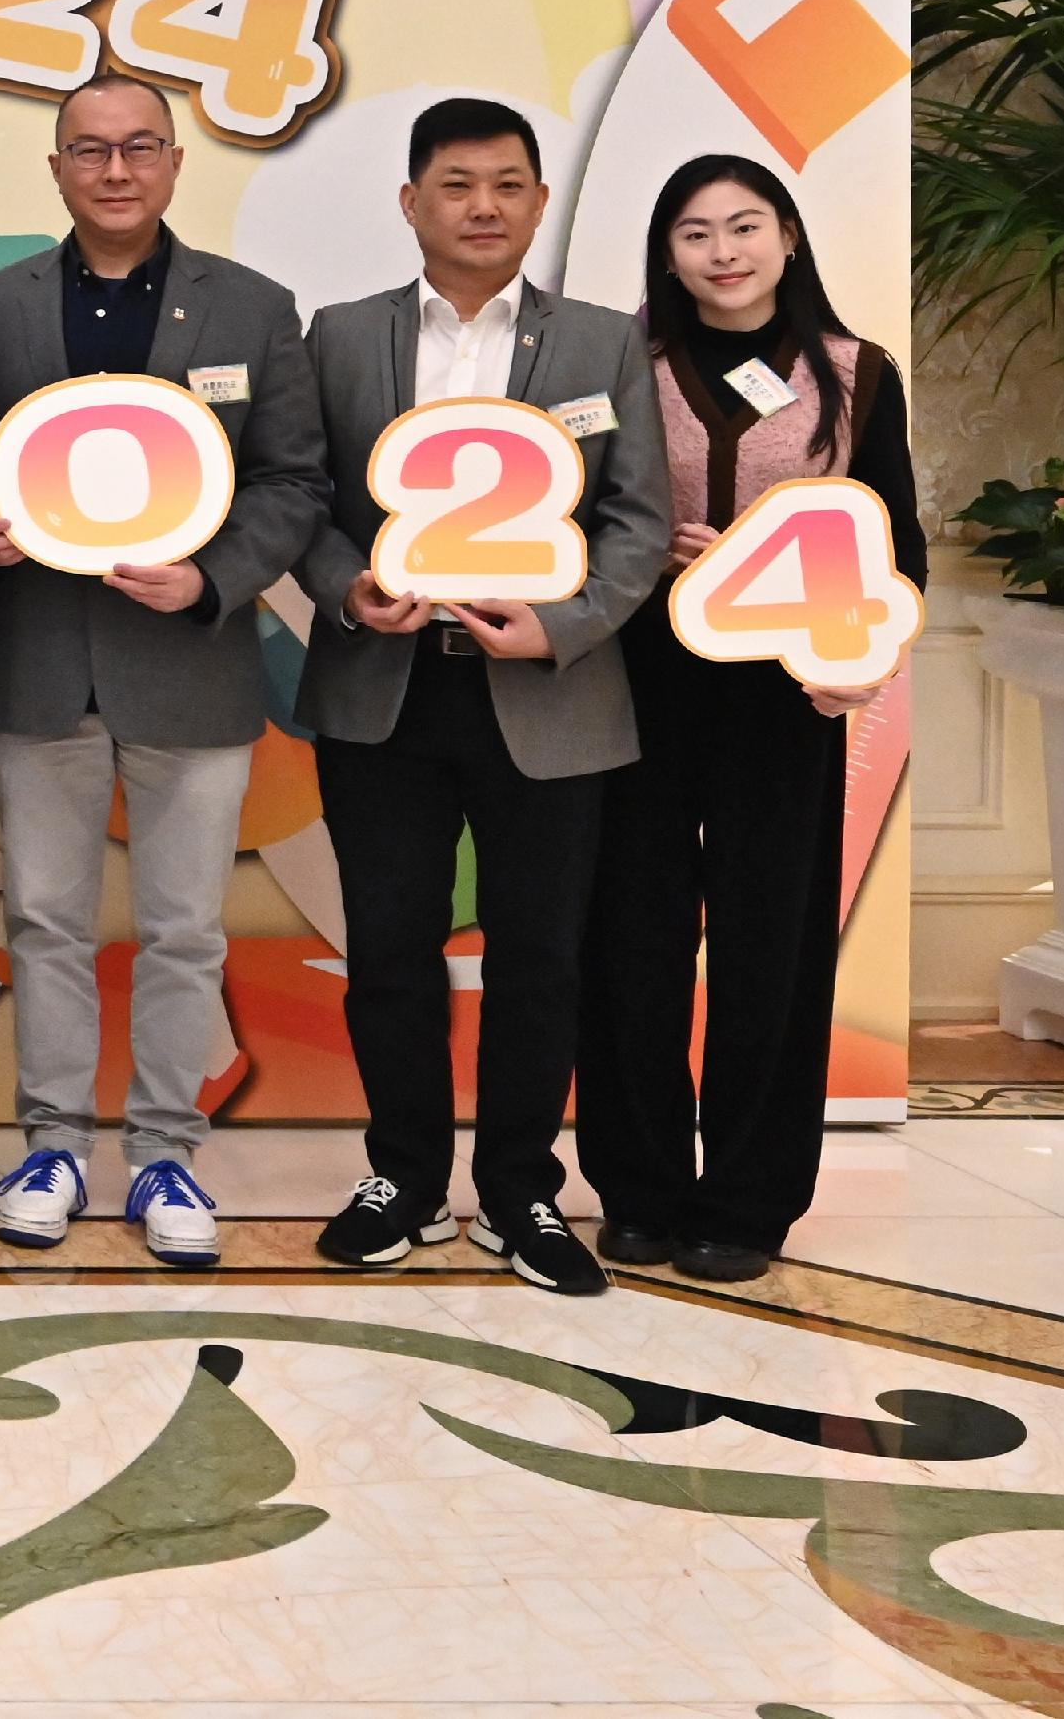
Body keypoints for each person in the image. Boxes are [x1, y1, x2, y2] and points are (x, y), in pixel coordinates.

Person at [294, 96, 669, 1296]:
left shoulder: (603, 341)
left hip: (549, 696)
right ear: (411, 202)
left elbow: (638, 520)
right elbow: (300, 499)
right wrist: (349, 591)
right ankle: (399, 1175)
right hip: (382, 689)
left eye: (508, 184)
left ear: (539, 203)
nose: (483, 206)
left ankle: (520, 1192)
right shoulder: (339, 334)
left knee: (540, 958)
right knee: (387, 950)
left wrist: (555, 624)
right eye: (456, 184)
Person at [0, 76, 329, 1268]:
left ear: (173, 162)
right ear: (55, 165)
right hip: (39, 662)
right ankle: (51, 1145)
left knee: (183, 928)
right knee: (46, 919)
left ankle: (168, 1150)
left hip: (193, 664)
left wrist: (215, 575)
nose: (114, 170)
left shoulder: (253, 307)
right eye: (89, 149)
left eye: (137, 149)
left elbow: (292, 482)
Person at [579, 155, 926, 1285]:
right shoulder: (615, 361)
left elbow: (893, 545)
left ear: (786, 236)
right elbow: (562, 516)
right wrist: (635, 553)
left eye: (743, 225)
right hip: (633, 684)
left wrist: (856, 665)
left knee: (768, 949)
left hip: (781, 698)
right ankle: (635, 1187)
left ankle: (747, 1198)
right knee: (630, 939)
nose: (721, 251)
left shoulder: (854, 371)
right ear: (664, 251)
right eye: (692, 231)